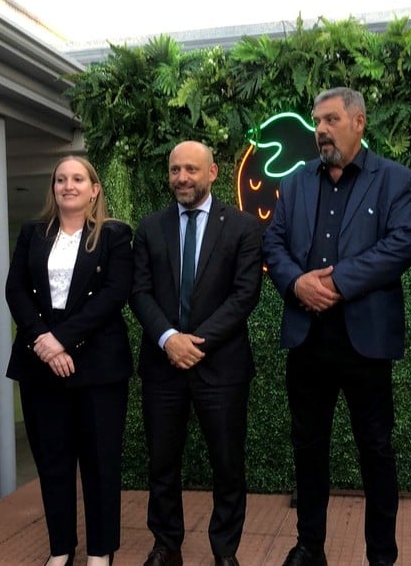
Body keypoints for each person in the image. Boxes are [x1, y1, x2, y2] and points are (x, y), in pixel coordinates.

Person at [263, 87, 411, 566]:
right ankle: (310, 547)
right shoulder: (295, 183)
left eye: (331, 119)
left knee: (376, 450)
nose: (321, 130)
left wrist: (335, 283)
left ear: (359, 123)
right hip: (307, 339)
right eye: (317, 121)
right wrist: (296, 284)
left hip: (365, 342)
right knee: (308, 449)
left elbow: (401, 245)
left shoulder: (394, 179)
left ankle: (381, 556)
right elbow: (274, 243)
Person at [130, 140, 263, 566]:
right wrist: (169, 338)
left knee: (228, 464)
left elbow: (244, 296)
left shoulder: (242, 227)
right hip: (162, 365)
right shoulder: (150, 227)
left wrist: (194, 342)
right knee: (162, 463)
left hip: (221, 366)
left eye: (191, 169)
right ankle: (166, 546)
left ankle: (225, 552)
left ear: (213, 173)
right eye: (174, 170)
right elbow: (139, 292)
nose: (182, 178)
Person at [5, 156, 133, 566]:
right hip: (40, 363)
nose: (68, 185)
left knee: (100, 464)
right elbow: (16, 290)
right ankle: (61, 549)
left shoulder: (114, 236)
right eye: (61, 179)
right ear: (54, 189)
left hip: (97, 366)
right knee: (53, 463)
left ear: (94, 189)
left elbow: (115, 295)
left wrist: (61, 339)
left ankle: (100, 552)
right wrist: (43, 340)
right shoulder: (32, 234)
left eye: (78, 179)